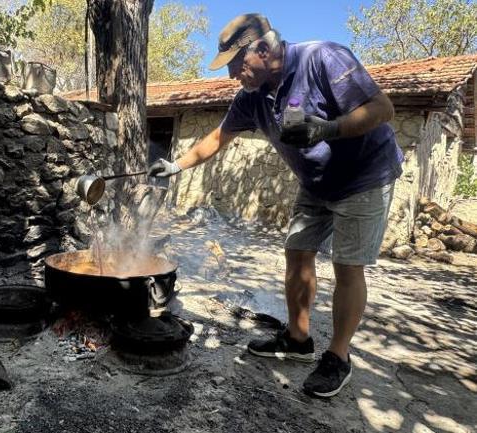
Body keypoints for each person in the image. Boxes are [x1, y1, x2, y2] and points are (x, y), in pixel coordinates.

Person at [148, 13, 403, 398]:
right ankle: (298, 340)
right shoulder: (251, 97)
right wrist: (176, 165)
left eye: (236, 64)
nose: (233, 74)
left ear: (264, 49)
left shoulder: (322, 58)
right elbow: (220, 136)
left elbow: (382, 109)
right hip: (316, 183)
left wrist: (327, 128)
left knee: (347, 267)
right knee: (297, 253)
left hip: (364, 176)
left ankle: (338, 357)